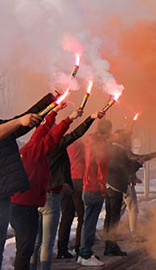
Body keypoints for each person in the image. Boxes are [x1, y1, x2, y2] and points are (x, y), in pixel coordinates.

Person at [30, 109, 102, 270]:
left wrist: (54, 110)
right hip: (53, 192)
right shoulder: (56, 144)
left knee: (35, 242)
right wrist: (90, 118)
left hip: (36, 195)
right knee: (47, 243)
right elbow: (76, 134)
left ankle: (37, 264)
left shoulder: (34, 146)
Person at [10, 103, 76, 270]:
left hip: (24, 206)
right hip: (24, 207)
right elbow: (51, 138)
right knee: (26, 249)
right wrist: (69, 119)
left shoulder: (30, 147)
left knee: (30, 246)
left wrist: (54, 112)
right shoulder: (34, 151)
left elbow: (41, 134)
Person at [0, 93, 53, 269]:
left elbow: (22, 123)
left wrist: (51, 100)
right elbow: (17, 124)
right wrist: (17, 122)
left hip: (3, 195)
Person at [103, 129, 156, 256]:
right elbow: (131, 166)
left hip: (108, 185)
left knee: (110, 215)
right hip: (117, 186)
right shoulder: (122, 151)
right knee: (115, 216)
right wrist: (141, 162)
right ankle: (111, 245)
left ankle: (108, 242)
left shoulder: (110, 148)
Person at [76, 119, 113, 267]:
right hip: (94, 189)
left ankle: (82, 253)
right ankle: (86, 254)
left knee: (86, 221)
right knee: (90, 223)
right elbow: (101, 169)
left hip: (86, 186)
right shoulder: (101, 145)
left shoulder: (89, 140)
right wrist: (102, 188)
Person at [57, 139, 86, 259]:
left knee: (66, 216)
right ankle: (79, 247)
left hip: (64, 182)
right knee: (82, 216)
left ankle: (61, 249)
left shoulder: (62, 144)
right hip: (78, 179)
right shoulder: (79, 143)